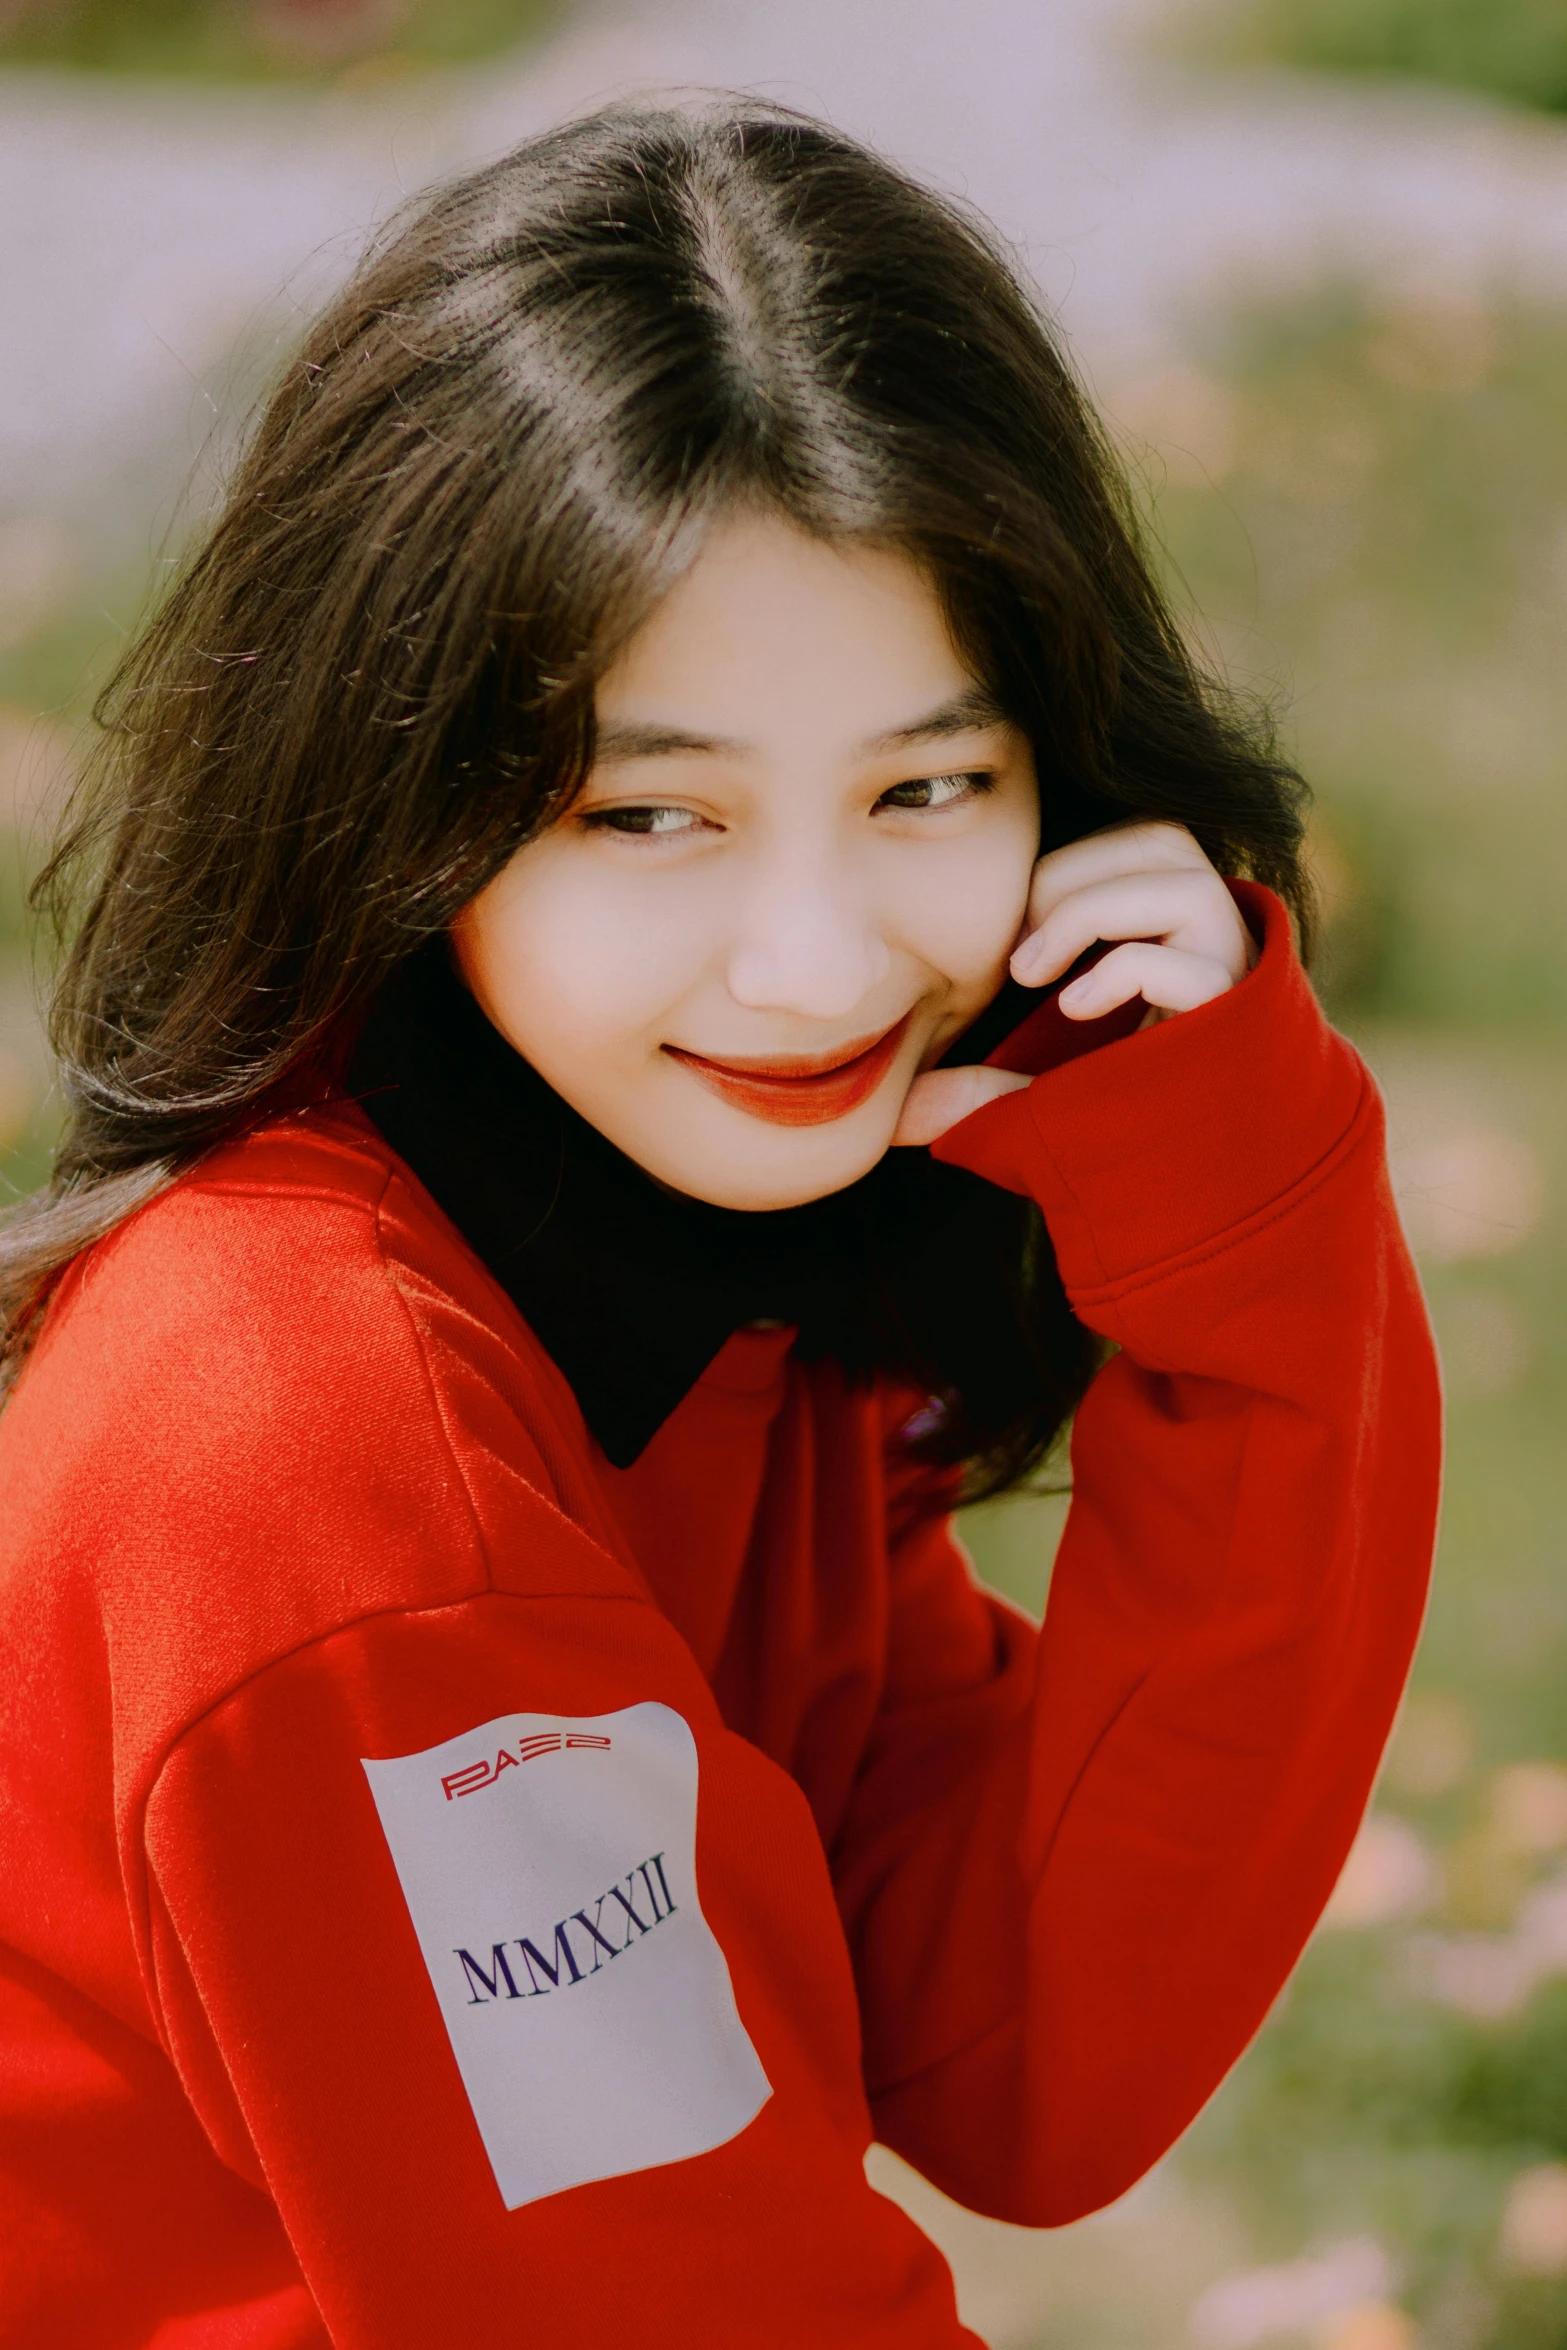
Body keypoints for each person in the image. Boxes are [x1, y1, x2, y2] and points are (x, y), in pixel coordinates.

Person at [0, 100, 1439, 2350]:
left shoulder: (709, 1291)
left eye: (927, 786)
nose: (816, 960)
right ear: (406, 808)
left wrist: (1256, 1226)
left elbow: (1028, 2057)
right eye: (650, 809)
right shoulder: (313, 1447)